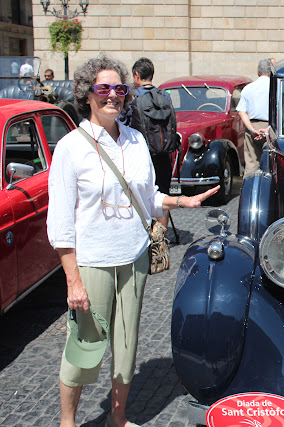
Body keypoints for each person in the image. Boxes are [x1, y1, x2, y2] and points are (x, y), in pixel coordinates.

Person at [47, 54, 218, 427]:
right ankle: (67, 422)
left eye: (120, 88)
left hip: (134, 257)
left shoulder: (136, 140)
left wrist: (181, 201)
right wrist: (73, 280)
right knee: (84, 346)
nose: (113, 95)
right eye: (103, 88)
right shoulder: (71, 147)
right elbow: (59, 222)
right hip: (92, 261)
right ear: (87, 94)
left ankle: (118, 418)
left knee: (126, 347)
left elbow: (148, 197)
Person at [127, 57, 178, 230]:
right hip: (164, 154)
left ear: (136, 75)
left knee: (140, 196)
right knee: (162, 196)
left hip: (141, 155)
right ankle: (163, 238)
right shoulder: (165, 96)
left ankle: (145, 232)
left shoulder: (133, 99)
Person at [237, 59, 271, 176]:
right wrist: (268, 129)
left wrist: (252, 129)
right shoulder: (275, 87)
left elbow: (241, 111)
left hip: (252, 125)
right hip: (270, 126)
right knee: (271, 163)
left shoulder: (248, 88)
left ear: (257, 72)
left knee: (251, 164)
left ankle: (250, 186)